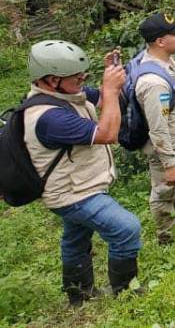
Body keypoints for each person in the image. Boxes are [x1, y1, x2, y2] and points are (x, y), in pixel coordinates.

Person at [20, 41, 140, 305]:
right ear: (51, 80)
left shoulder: (65, 94)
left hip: (77, 186)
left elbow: (104, 98)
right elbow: (108, 134)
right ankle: (127, 293)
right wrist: (109, 89)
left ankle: (79, 295)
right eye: (77, 77)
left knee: (76, 238)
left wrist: (112, 80)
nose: (83, 80)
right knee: (126, 229)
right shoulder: (49, 117)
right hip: (73, 194)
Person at [133, 12, 175, 244]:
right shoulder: (153, 83)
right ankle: (168, 238)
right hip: (170, 145)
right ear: (160, 41)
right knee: (164, 190)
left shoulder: (164, 61)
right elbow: (158, 127)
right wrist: (169, 163)